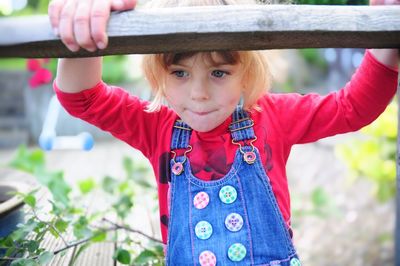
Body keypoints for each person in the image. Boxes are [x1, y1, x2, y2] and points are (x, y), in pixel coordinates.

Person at [48, 0, 399, 264]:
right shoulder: (155, 126)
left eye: (218, 73)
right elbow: (82, 98)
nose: (198, 94)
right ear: (158, 75)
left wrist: (388, 34)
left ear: (245, 72)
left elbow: (352, 107)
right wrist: (84, 22)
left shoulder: (271, 116)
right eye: (180, 73)